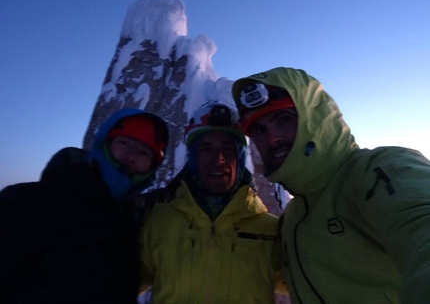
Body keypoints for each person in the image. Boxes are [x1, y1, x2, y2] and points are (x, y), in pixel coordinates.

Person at [231, 67, 430, 304]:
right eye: (259, 131)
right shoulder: (293, 219)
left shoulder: (379, 170)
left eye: (283, 120)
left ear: (314, 118)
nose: (272, 138)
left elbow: (419, 225)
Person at [0, 108, 168, 304]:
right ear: (105, 143)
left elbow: (167, 196)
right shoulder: (26, 202)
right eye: (125, 143)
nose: (132, 156)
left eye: (144, 153)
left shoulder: (130, 214)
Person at [139, 102, 288, 303]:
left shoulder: (271, 231)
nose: (218, 159)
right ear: (192, 158)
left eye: (228, 149)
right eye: (205, 149)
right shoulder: (157, 221)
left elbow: (319, 283)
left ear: (241, 158)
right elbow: (114, 284)